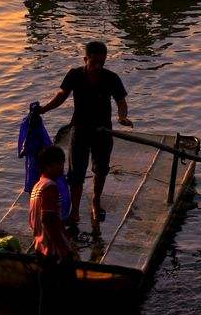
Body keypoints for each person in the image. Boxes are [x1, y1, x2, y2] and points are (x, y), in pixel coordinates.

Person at [38, 41, 132, 226]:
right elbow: (61, 96)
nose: (97, 66)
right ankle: (75, 210)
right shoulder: (75, 75)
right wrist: (44, 109)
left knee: (101, 169)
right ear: (85, 59)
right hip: (80, 129)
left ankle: (96, 202)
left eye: (101, 63)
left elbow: (121, 101)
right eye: (93, 62)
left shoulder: (111, 78)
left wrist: (122, 117)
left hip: (102, 130)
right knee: (76, 173)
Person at [29, 146, 76, 315]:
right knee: (64, 298)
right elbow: (48, 220)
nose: (62, 168)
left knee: (46, 301)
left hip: (39, 248)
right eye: (60, 164)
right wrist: (63, 249)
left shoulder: (37, 186)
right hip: (52, 252)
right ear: (49, 166)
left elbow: (34, 221)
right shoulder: (50, 187)